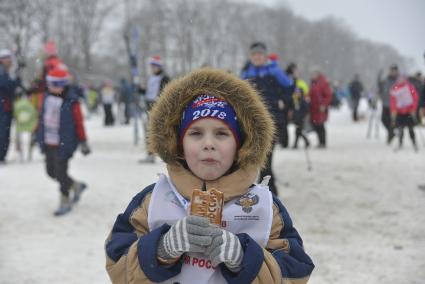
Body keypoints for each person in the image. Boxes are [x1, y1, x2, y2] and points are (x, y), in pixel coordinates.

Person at [105, 68, 314, 284]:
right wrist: (160, 249)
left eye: (222, 134)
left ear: (241, 145)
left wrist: (245, 258)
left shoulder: (266, 208)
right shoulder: (152, 201)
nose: (208, 144)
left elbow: (296, 273)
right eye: (196, 133)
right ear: (179, 144)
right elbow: (117, 264)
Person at [36, 67, 91, 216]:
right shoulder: (46, 98)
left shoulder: (72, 102)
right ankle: (76, 185)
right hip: (48, 142)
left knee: (60, 173)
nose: (53, 88)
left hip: (64, 143)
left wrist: (83, 141)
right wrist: (37, 135)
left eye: (56, 84)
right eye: (50, 84)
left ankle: (65, 199)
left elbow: (79, 123)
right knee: (50, 172)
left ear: (63, 84)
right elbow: (41, 119)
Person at [240, 42, 293, 195]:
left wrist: (283, 102)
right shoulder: (246, 73)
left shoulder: (274, 71)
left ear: (264, 56)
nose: (257, 57)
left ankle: (270, 192)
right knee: (253, 158)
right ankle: (259, 189)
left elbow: (289, 89)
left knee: (266, 158)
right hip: (251, 121)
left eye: (259, 54)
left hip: (272, 120)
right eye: (254, 54)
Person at [138, 55, 170, 163]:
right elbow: (147, 92)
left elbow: (167, 92)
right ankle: (150, 154)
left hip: (159, 107)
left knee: (161, 132)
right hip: (149, 106)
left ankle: (166, 155)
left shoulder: (164, 78)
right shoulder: (150, 78)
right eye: (152, 66)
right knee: (149, 131)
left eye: (155, 66)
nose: (153, 68)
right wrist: (140, 89)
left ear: (159, 66)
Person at [0, 49, 21, 163]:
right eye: (6, 58)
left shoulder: (7, 72)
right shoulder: (2, 72)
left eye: (9, 58)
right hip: (2, 107)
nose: (9, 61)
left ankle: (2, 156)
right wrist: (16, 81)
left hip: (6, 107)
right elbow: (6, 85)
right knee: (2, 132)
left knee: (6, 132)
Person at [390, 74, 419, 151]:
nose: (401, 80)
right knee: (400, 128)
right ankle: (400, 143)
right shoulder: (395, 88)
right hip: (399, 112)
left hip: (409, 111)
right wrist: (393, 109)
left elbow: (415, 97)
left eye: (402, 79)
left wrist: (413, 108)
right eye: (399, 79)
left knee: (410, 128)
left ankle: (414, 143)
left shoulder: (410, 87)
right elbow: (393, 100)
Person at [286, 63, 310, 149]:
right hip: (295, 112)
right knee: (298, 129)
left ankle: (297, 144)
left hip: (301, 112)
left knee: (298, 129)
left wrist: (305, 113)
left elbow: (306, 97)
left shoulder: (302, 84)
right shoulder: (290, 82)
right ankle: (305, 141)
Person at [308, 68, 332, 148]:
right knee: (316, 125)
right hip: (314, 108)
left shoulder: (323, 83)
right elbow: (311, 93)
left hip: (320, 108)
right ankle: (320, 142)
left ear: (317, 74)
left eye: (313, 74)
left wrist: (324, 105)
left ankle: (323, 142)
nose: (311, 76)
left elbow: (328, 95)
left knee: (320, 125)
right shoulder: (313, 83)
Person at [13, 91, 38, 162]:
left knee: (19, 140)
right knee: (30, 140)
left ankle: (20, 152)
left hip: (20, 125)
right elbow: (34, 114)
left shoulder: (17, 104)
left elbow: (15, 114)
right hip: (30, 125)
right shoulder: (30, 105)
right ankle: (29, 153)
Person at [378, 64, 399, 144]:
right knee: (383, 119)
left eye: (393, 71)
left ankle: (390, 135)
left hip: (395, 105)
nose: (391, 72)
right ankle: (391, 133)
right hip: (385, 103)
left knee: (392, 121)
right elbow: (380, 88)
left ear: (396, 71)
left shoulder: (398, 80)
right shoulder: (385, 80)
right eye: (390, 70)